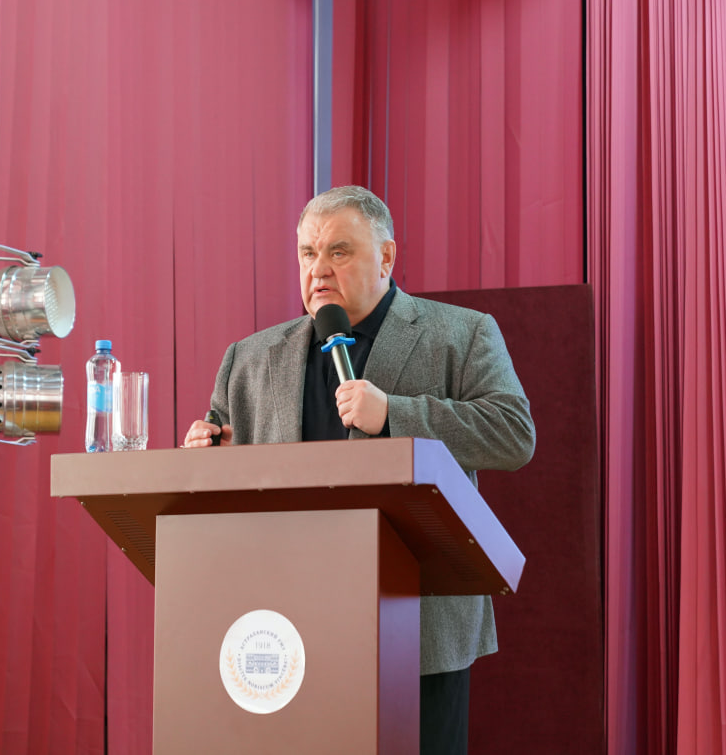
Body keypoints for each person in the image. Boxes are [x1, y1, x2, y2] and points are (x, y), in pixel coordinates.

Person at [183, 185, 535, 755]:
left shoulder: (461, 333)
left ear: (386, 257)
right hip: (286, 625)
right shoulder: (249, 357)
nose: (318, 269)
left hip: (417, 630)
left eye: (339, 251)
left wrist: (397, 413)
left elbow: (514, 434)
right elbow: (224, 451)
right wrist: (206, 454)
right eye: (307, 253)